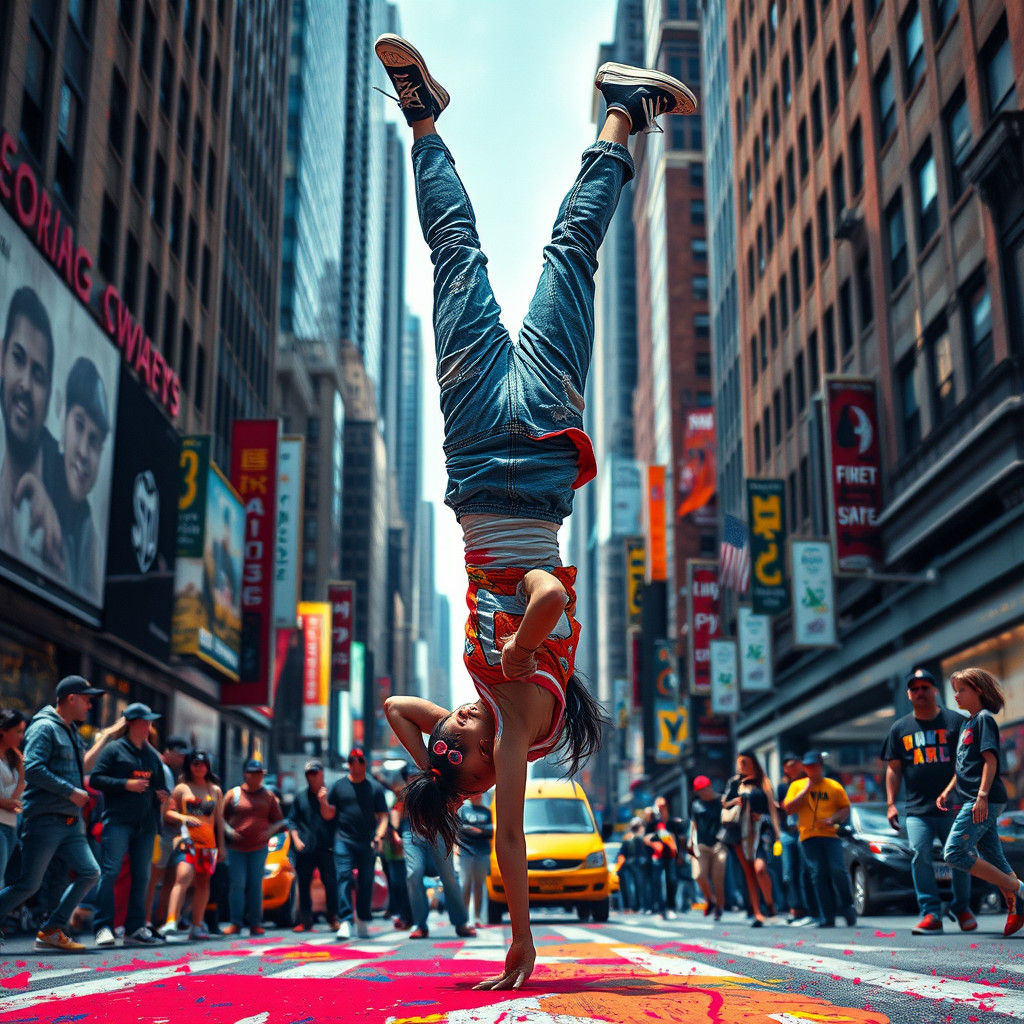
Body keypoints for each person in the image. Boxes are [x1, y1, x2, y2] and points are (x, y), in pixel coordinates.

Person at [377, 31, 696, 990]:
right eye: (466, 755)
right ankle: (621, 111)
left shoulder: (466, 709)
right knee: (574, 253)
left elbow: (398, 709)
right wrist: (521, 939)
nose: (459, 738)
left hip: (477, 451)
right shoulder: (525, 716)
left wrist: (435, 754)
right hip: (543, 451)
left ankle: (422, 114)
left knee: (452, 254)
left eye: (456, 747)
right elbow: (552, 593)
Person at [0, 675, 111, 950]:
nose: (89, 706)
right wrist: (69, 791)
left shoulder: (71, 730)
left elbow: (80, 767)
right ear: (70, 699)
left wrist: (106, 739)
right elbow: (34, 769)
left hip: (72, 822)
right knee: (28, 885)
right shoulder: (44, 727)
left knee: (90, 872)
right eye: (86, 700)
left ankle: (52, 929)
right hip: (46, 819)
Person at [881, 667, 972, 935]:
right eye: (915, 688)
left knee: (960, 857)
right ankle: (931, 912)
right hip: (917, 809)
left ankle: (961, 906)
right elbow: (893, 768)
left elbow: (965, 763)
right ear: (909, 694)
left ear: (935, 690)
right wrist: (889, 803)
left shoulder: (955, 722)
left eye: (925, 687)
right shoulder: (900, 728)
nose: (920, 692)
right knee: (920, 853)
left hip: (954, 807)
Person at [939, 668, 1024, 937]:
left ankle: (1019, 888)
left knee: (954, 852)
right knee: (994, 856)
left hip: (984, 798)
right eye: (954, 690)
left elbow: (991, 761)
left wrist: (982, 796)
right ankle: (1017, 909)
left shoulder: (984, 720)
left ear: (977, 690)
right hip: (972, 797)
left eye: (961, 689)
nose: (956, 695)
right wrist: (947, 790)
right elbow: (963, 766)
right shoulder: (968, 723)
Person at [89, 702, 167, 947]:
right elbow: (96, 779)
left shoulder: (151, 755)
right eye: (145, 721)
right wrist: (126, 784)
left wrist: (161, 795)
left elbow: (160, 786)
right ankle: (103, 926)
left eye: (150, 722)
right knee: (110, 872)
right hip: (118, 821)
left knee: (142, 876)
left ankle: (135, 928)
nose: (149, 726)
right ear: (132, 723)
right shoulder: (114, 749)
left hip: (145, 825)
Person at [40, 356, 111, 600]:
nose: (83, 451)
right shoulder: (33, 461)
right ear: (63, 417)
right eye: (79, 425)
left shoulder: (91, 540)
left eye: (94, 441)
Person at [0, 286, 59, 569]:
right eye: (18, 358)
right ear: (2, 359)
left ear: (48, 400)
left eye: (38, 375)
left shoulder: (65, 538)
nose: (24, 384)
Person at [782, 751, 856, 928]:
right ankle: (827, 916)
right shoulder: (797, 785)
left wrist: (833, 819)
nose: (811, 770)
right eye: (807, 767)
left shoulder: (833, 786)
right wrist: (805, 790)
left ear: (820, 766)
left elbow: (845, 809)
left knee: (837, 870)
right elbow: (788, 808)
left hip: (830, 836)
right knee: (818, 874)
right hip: (808, 837)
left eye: (814, 766)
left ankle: (848, 907)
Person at [323, 747, 388, 940]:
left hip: (367, 841)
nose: (354, 764)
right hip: (343, 839)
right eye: (351, 761)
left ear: (364, 764)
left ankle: (362, 918)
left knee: (366, 881)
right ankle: (345, 920)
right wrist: (322, 802)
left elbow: (383, 816)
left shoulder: (374, 788)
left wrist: (379, 835)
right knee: (343, 877)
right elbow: (328, 814)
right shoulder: (338, 786)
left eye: (358, 760)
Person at [162, 750, 225, 940]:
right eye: (195, 763)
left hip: (208, 843)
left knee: (203, 884)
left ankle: (197, 925)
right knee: (183, 876)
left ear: (208, 766)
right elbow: (168, 813)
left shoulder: (215, 790)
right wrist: (183, 817)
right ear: (189, 766)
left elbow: (219, 821)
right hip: (187, 840)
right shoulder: (182, 788)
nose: (199, 767)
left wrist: (221, 846)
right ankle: (171, 920)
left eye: (203, 763)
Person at [221, 758, 285, 936]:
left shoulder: (268, 796)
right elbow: (220, 818)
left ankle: (255, 923)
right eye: (253, 773)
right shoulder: (233, 794)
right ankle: (235, 923)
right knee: (237, 884)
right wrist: (228, 831)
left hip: (259, 848)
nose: (257, 777)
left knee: (255, 884)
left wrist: (269, 831)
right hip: (236, 848)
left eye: (259, 774)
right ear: (245, 774)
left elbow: (279, 820)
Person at [721, 751, 779, 926]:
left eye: (744, 762)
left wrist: (774, 828)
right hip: (740, 832)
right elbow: (724, 803)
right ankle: (757, 912)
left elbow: (771, 807)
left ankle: (770, 904)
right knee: (749, 874)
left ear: (753, 762)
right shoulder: (734, 782)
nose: (741, 765)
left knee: (760, 869)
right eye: (739, 762)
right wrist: (735, 802)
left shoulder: (763, 782)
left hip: (762, 831)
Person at [403, 806, 477, 940]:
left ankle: (461, 922)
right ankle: (419, 925)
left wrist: (455, 839)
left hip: (440, 826)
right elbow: (397, 798)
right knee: (413, 874)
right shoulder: (405, 784)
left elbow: (453, 804)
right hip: (412, 828)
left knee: (449, 877)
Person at [144, 734, 190, 935]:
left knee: (165, 880)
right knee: (153, 879)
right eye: (179, 755)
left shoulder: (170, 771)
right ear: (168, 752)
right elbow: (165, 804)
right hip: (160, 831)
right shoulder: (163, 769)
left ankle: (158, 921)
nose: (182, 759)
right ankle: (146, 921)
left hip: (168, 832)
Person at [287, 759, 338, 932]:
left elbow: (333, 817)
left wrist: (323, 801)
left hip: (326, 846)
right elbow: (292, 821)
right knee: (303, 883)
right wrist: (296, 839)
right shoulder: (300, 797)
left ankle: (333, 918)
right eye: (308, 774)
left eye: (315, 773)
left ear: (321, 773)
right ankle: (305, 920)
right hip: (305, 847)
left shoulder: (330, 794)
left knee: (330, 882)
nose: (311, 777)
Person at [776, 753, 816, 926]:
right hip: (788, 832)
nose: (795, 767)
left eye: (797, 763)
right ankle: (795, 908)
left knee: (806, 872)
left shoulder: (810, 781)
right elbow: (784, 808)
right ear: (785, 768)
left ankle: (809, 909)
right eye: (791, 765)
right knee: (788, 874)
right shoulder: (783, 786)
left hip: (806, 830)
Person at [687, 776, 726, 920]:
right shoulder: (696, 805)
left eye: (703, 790)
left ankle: (719, 907)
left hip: (719, 844)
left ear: (709, 787)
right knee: (698, 875)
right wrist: (690, 845)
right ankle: (710, 899)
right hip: (701, 845)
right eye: (699, 792)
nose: (701, 794)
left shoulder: (721, 800)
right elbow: (693, 825)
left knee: (718, 879)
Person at [0, 709, 27, 885]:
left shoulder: (14, 759)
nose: (22, 736)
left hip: (10, 825)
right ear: (3, 731)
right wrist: (9, 803)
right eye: (18, 731)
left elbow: (19, 791)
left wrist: (21, 767)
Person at [458, 793, 492, 928]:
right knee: (466, 883)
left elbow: (490, 831)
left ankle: (477, 917)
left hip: (483, 851)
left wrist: (472, 829)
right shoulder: (463, 810)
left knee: (479, 884)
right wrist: (479, 831)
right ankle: (464, 917)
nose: (475, 796)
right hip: (466, 851)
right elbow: (460, 829)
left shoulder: (486, 811)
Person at [652, 795, 687, 918]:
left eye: (662, 806)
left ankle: (671, 907)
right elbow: (647, 837)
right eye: (658, 806)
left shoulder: (672, 822)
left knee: (671, 880)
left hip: (671, 856)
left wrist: (680, 855)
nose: (660, 808)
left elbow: (680, 839)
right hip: (657, 857)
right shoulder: (654, 822)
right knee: (658, 882)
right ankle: (660, 908)